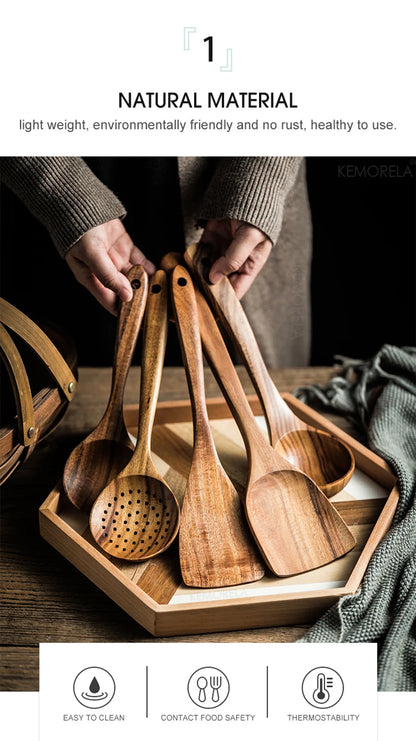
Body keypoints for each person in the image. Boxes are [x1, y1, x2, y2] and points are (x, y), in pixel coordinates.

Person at [0, 156, 312, 366]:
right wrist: (59, 187)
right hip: (66, 205)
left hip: (239, 201)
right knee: (69, 368)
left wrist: (263, 175)